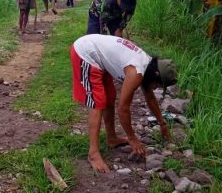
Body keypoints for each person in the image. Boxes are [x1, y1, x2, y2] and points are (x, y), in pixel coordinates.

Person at [70, 34, 177, 173]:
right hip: (86, 52)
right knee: (98, 101)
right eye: (157, 85)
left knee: (109, 96)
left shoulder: (147, 66)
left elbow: (150, 98)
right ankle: (93, 154)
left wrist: (162, 124)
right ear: (155, 74)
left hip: (100, 57)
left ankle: (112, 138)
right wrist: (132, 138)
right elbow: (123, 108)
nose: (155, 88)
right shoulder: (136, 71)